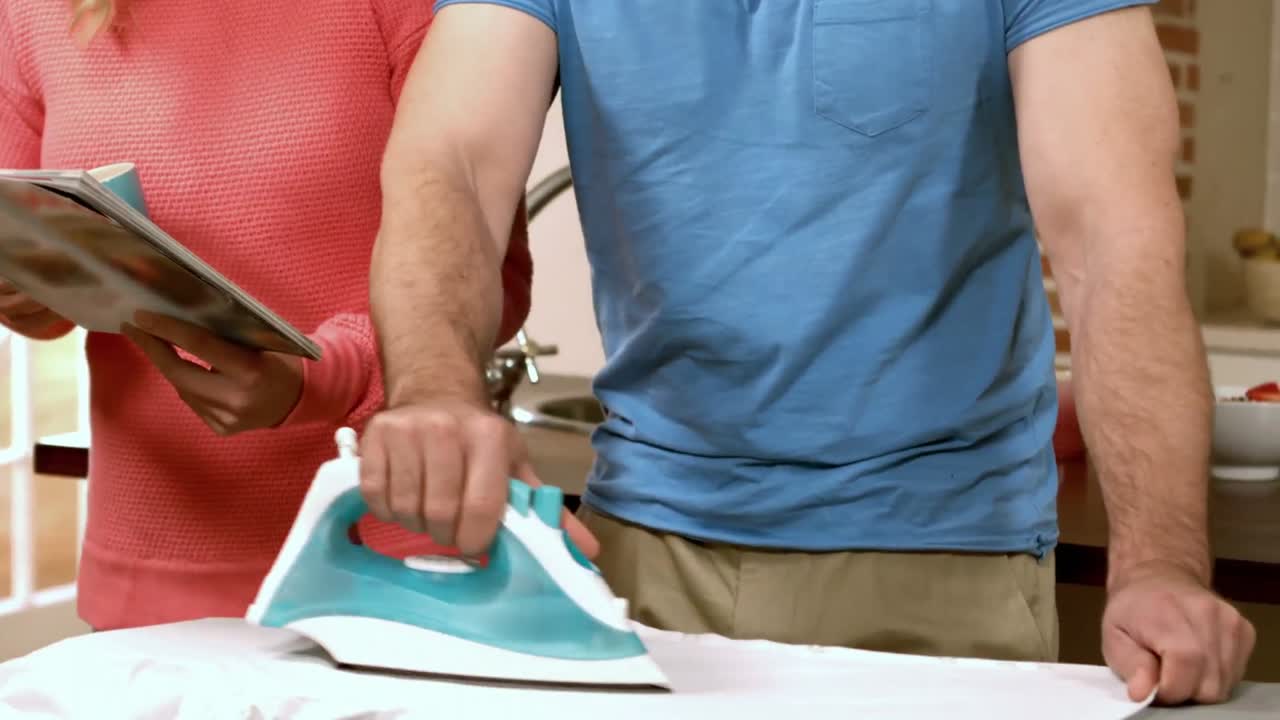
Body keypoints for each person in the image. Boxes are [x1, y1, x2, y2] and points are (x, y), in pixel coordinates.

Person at [361, 0, 1256, 707]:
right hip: (643, 560)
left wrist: (1157, 566)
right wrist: (438, 386)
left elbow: (1114, 245)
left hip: (941, 567)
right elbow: (455, 164)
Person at [0, 0, 539, 630]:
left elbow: (494, 275)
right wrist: (26, 290)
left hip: (394, 561)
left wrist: (328, 374)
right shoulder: (28, 12)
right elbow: (31, 267)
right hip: (150, 568)